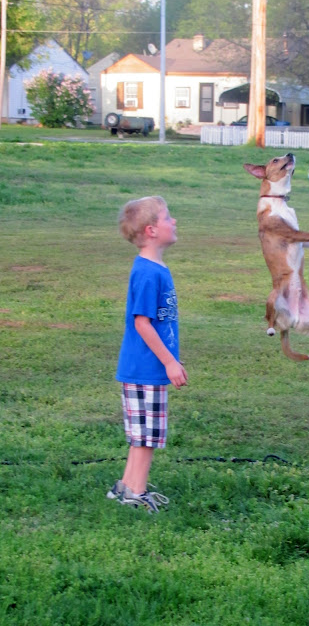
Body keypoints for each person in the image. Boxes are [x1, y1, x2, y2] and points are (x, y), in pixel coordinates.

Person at [107, 196, 188, 513]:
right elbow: (142, 323)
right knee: (147, 437)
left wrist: (170, 359)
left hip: (146, 367)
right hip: (144, 367)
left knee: (142, 434)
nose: (174, 221)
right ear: (152, 230)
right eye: (168, 217)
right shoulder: (147, 273)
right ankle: (135, 494)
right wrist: (168, 361)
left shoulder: (154, 268)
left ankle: (126, 486)